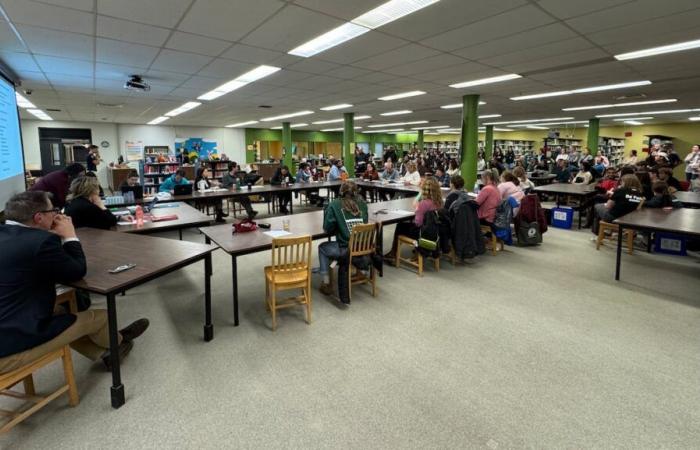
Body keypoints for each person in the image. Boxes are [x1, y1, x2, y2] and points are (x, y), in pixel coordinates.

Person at [0, 191, 148, 373]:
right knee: (101, 317)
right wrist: (70, 235)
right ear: (39, 217)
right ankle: (119, 342)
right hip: (9, 347)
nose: (57, 214)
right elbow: (76, 271)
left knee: (60, 312)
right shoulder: (41, 241)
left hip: (9, 322)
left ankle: (107, 351)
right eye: (52, 210)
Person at [317, 181, 369, 303]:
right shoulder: (362, 204)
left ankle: (326, 283)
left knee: (322, 247)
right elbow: (365, 222)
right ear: (356, 192)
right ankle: (362, 270)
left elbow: (327, 227)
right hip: (362, 247)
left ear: (341, 192)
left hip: (346, 249)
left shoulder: (334, 204)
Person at [384, 178, 443, 261]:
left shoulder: (424, 204)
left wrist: (417, 209)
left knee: (400, 225)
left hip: (422, 234)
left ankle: (393, 254)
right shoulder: (439, 201)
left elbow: (418, 223)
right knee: (404, 225)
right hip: (434, 232)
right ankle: (397, 253)